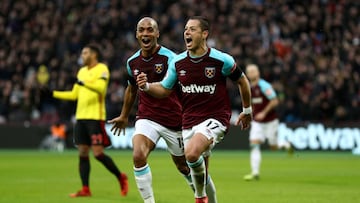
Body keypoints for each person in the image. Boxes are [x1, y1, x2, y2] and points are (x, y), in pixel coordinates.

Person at [136, 16, 252, 203]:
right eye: (185, 29)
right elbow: (165, 89)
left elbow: (242, 81)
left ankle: (199, 198)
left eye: (192, 29)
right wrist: (147, 87)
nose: (186, 33)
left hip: (216, 119)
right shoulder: (178, 62)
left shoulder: (222, 60)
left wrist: (247, 110)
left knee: (191, 153)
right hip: (189, 122)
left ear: (204, 34)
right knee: (202, 174)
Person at [108, 17, 217, 203]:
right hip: (147, 117)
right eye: (141, 30)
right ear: (136, 34)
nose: (145, 33)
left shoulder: (171, 59)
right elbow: (131, 88)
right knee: (138, 155)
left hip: (175, 121)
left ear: (157, 33)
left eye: (149, 30)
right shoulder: (132, 62)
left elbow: (186, 87)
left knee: (186, 167)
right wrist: (124, 115)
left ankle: (206, 197)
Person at [42, 44, 129, 197]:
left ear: (94, 55)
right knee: (82, 153)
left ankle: (121, 177)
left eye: (85, 53)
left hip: (95, 117)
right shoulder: (81, 71)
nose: (82, 56)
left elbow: (101, 89)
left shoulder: (102, 69)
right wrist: (53, 93)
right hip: (80, 117)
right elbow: (74, 94)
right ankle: (85, 189)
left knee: (97, 154)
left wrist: (84, 83)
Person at [243, 64, 292, 181]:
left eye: (253, 71)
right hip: (257, 122)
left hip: (270, 121)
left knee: (273, 147)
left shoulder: (264, 86)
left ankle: (285, 145)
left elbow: (275, 101)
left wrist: (264, 113)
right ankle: (255, 173)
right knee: (254, 144)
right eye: (249, 71)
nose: (251, 73)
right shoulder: (248, 87)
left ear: (258, 72)